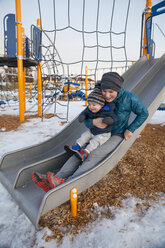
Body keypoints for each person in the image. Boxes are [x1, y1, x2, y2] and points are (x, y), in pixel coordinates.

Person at [32, 72, 149, 192]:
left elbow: (144, 113)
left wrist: (130, 129)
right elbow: (87, 116)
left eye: (111, 92)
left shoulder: (129, 98)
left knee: (93, 155)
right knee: (79, 153)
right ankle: (57, 179)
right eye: (104, 91)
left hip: (116, 134)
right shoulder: (99, 96)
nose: (107, 96)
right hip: (99, 132)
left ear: (118, 89)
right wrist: (93, 123)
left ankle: (67, 184)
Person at [64, 87, 118, 161]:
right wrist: (82, 116)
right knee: (84, 136)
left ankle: (85, 152)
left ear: (101, 105)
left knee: (94, 142)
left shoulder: (107, 111)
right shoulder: (89, 109)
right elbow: (84, 112)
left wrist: (110, 120)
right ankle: (77, 146)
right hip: (92, 130)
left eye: (94, 105)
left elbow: (115, 118)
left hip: (103, 134)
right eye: (89, 104)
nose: (91, 107)